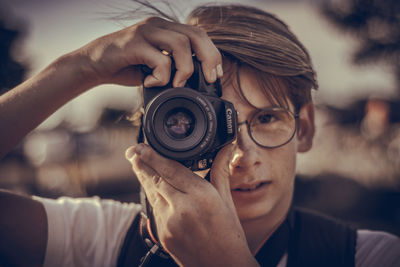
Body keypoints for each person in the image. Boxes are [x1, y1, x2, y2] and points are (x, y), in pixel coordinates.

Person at [0, 3, 399, 267]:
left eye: (266, 119)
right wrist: (80, 67)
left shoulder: (368, 256)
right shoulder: (103, 241)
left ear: (305, 128)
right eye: (198, 124)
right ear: (153, 132)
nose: (242, 156)